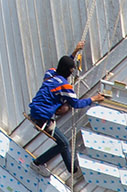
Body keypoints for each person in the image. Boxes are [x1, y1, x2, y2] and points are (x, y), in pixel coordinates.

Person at [30, 41, 104, 173]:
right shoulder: (65, 87)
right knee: (63, 144)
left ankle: (72, 169)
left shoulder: (50, 73)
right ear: (69, 73)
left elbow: (64, 65)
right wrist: (93, 98)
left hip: (35, 110)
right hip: (42, 117)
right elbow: (76, 104)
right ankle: (38, 163)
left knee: (62, 143)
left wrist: (74, 52)